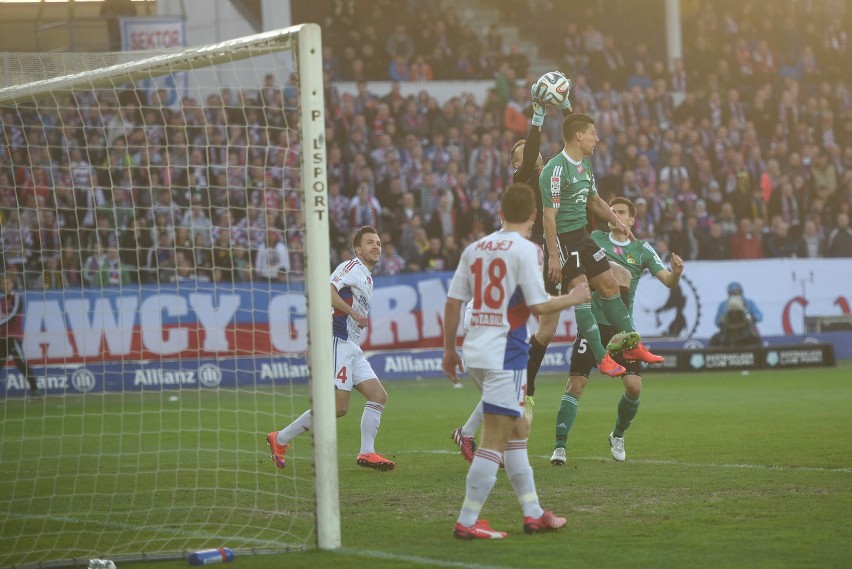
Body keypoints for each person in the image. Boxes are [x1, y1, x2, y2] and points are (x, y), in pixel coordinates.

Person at [442, 183, 590, 539]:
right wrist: (573, 297)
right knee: (496, 436)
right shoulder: (528, 250)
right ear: (534, 216)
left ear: (501, 213)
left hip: (476, 347)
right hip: (505, 353)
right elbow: (538, 307)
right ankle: (467, 519)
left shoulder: (474, 249)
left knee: (519, 429)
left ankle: (533, 513)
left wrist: (449, 350)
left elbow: (452, 302)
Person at [451, 85, 574, 460]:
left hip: (544, 257)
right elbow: (533, 151)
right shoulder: (522, 182)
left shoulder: (552, 175)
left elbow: (572, 149)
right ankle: (522, 392)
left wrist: (567, 110)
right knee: (514, 364)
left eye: (531, 153)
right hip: (522, 266)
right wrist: (538, 117)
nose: (531, 157)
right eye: (522, 155)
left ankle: (470, 430)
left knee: (548, 330)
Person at [531, 110, 661, 393]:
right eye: (593, 133)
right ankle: (602, 357)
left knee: (610, 284)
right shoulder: (555, 169)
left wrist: (616, 222)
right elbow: (548, 217)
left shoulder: (585, 166)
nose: (597, 139)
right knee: (582, 291)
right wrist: (553, 255)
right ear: (579, 135)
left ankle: (633, 344)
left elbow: (594, 201)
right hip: (563, 239)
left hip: (582, 236)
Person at [549, 197, 684, 466]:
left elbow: (668, 281)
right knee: (577, 383)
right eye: (613, 211)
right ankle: (560, 446)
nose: (616, 215)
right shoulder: (594, 239)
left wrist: (677, 272)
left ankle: (618, 435)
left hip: (623, 328)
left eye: (622, 212)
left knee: (634, 387)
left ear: (632, 220)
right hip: (594, 322)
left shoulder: (642, 249)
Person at [266, 226, 395, 472]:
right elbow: (327, 291)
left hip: (352, 346)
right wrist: (353, 312)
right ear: (358, 249)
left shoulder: (367, 276)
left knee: (378, 396)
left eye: (378, 242)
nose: (376, 246)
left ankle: (367, 452)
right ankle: (280, 438)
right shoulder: (351, 267)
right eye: (370, 243)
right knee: (338, 407)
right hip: (337, 340)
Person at [0, 275, 41, 398]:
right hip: (2, 337)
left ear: (12, 285)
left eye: (7, 283)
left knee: (21, 363)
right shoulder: (1, 301)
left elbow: (13, 314)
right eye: (3, 284)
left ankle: (35, 390)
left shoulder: (17, 298)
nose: (5, 286)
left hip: (14, 337)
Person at [710, 282, 762, 347]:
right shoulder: (723, 305)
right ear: (729, 293)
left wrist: (751, 317)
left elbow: (759, 316)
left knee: (756, 339)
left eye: (738, 292)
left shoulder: (749, 302)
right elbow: (717, 321)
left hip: (747, 329)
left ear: (741, 292)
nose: (736, 295)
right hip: (727, 331)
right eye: (733, 293)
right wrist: (722, 319)